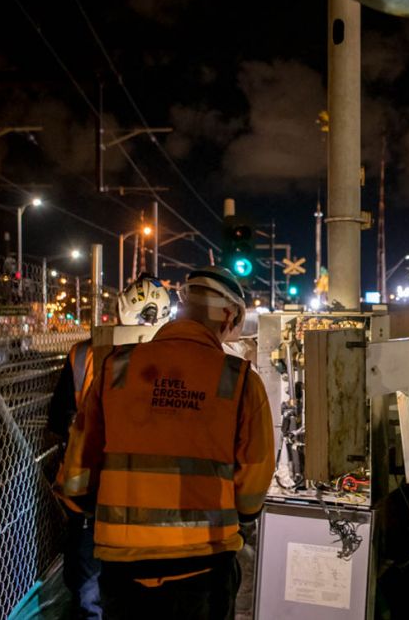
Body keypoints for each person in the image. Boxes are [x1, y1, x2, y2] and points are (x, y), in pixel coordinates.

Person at [59, 266, 274, 620]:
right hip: (202, 563)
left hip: (121, 563)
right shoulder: (239, 382)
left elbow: (78, 467)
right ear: (229, 315)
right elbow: (252, 488)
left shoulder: (115, 368)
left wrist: (90, 509)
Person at [48, 274, 173, 619]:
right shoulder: (175, 360)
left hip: (90, 493)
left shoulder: (83, 355)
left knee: (90, 594)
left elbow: (59, 421)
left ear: (120, 310)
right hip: (152, 496)